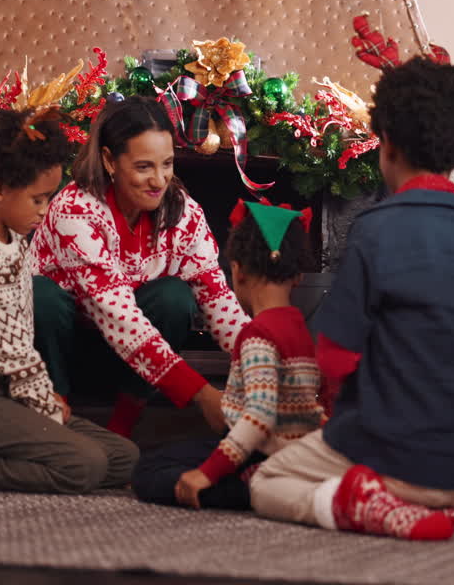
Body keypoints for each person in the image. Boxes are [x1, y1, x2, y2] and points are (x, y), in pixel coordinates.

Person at [250, 56, 454, 541]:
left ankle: (366, 504)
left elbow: (335, 359)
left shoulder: (374, 231)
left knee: (269, 480)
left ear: (388, 146)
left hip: (402, 455)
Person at [0, 107, 139, 493]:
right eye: (38, 199)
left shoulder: (10, 236)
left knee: (123, 457)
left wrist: (38, 404)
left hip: (2, 397)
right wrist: (45, 405)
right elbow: (12, 354)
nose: (45, 210)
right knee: (84, 465)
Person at [29, 96, 246, 437]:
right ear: (109, 161)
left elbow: (219, 301)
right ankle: (52, 412)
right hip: (60, 354)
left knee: (175, 297)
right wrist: (203, 395)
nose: (159, 180)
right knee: (39, 295)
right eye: (144, 167)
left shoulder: (183, 213)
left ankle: (123, 428)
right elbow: (118, 316)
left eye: (167, 164)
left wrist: (268, 367)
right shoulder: (75, 210)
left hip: (129, 364)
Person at [131, 199, 324, 510]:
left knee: (150, 470)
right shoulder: (299, 327)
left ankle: (254, 486)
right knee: (178, 455)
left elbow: (259, 415)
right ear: (298, 276)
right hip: (291, 448)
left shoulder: (258, 333)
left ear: (238, 271)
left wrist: (207, 473)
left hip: (260, 450)